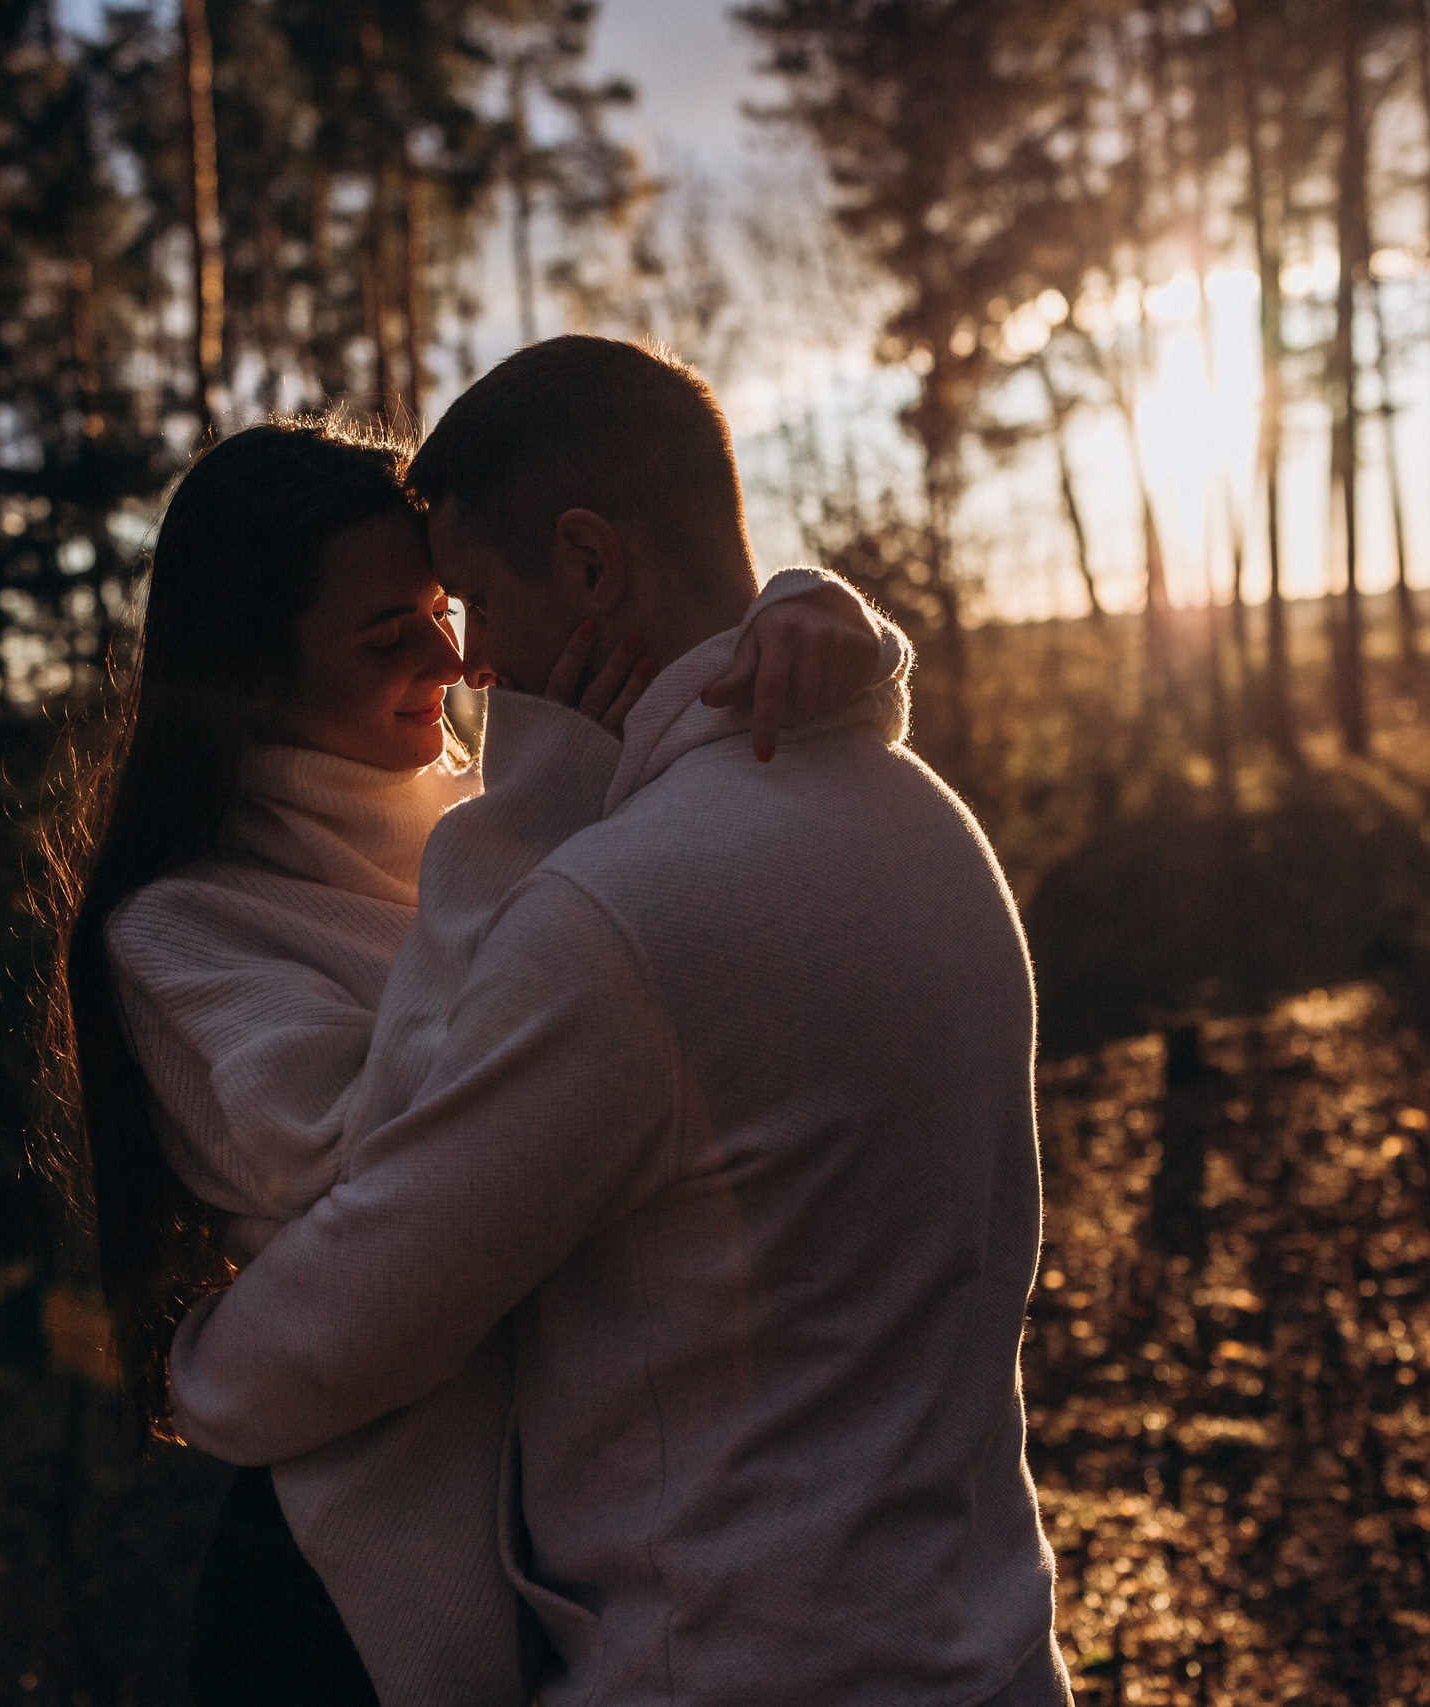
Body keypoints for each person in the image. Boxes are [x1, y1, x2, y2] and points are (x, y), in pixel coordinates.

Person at [169, 338, 1071, 1706]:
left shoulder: (612, 917)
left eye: (470, 599)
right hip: (991, 1653)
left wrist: (198, 1370)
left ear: (590, 567)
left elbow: (357, 1318)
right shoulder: (927, 820)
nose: (468, 666)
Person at [33, 411, 902, 1705]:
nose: (453, 655)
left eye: (445, 605)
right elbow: (390, 1177)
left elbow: (740, 875)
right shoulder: (184, 926)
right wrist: (532, 823)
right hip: (356, 1608)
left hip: (604, 1561)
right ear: (252, 679)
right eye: (388, 637)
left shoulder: (490, 811)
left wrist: (813, 629)